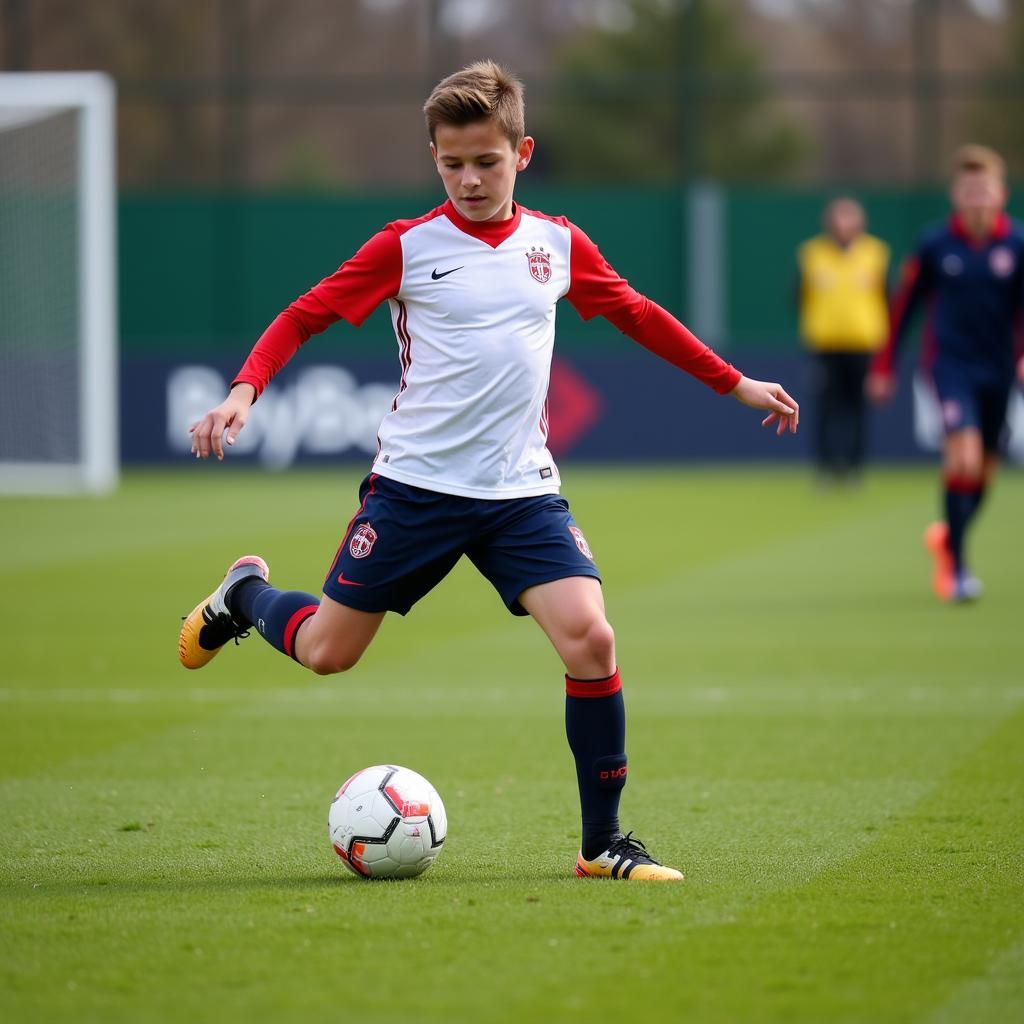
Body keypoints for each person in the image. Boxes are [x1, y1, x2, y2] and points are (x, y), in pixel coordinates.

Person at [180, 61, 799, 882]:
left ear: (523, 153)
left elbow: (640, 315)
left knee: (592, 638)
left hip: (521, 494)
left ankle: (601, 843)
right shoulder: (405, 246)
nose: (469, 179)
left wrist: (736, 382)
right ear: (434, 158)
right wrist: (244, 390)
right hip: (414, 490)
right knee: (329, 652)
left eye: (487, 162)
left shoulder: (558, 244)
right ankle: (243, 597)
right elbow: (305, 313)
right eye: (451, 164)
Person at [867, 144, 1024, 602]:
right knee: (965, 458)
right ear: (956, 196)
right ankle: (957, 569)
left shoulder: (1016, 244)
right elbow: (903, 309)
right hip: (950, 365)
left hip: (998, 367)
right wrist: (883, 366)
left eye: (985, 189)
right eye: (968, 189)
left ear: (1002, 194)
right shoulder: (935, 244)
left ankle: (946, 539)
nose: (977, 197)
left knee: (986, 468)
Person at [796, 197, 890, 483]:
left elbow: (888, 297)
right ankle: (825, 468)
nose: (844, 225)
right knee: (825, 407)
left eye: (849, 218)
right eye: (839, 218)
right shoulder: (812, 253)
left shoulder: (875, 253)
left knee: (858, 408)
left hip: (863, 344)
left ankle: (855, 467)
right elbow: (798, 297)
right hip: (825, 345)